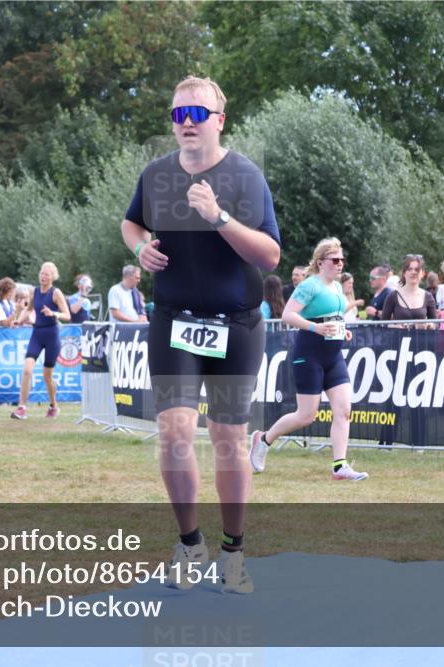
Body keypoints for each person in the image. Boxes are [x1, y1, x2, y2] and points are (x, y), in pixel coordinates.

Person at [120, 75, 281, 594]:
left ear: (219, 120)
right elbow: (131, 224)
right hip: (174, 321)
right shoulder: (156, 174)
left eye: (197, 114)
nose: (186, 123)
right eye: (178, 114)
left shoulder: (244, 175)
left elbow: (270, 255)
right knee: (173, 432)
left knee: (229, 439)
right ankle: (190, 545)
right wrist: (139, 246)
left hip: (235, 324)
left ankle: (234, 552)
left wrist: (218, 216)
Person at [250, 238, 366, 481]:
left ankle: (339, 466)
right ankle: (263, 439)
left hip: (333, 356)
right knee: (306, 416)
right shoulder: (310, 285)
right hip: (309, 354)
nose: (340, 264)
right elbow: (288, 316)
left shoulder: (335, 286)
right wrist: (315, 328)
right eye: (335, 260)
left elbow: (334, 316)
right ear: (320, 262)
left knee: (344, 410)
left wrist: (342, 330)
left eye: (342, 260)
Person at [11, 262, 71, 420]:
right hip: (37, 334)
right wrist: (19, 321)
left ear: (53, 277)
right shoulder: (34, 292)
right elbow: (30, 309)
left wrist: (54, 314)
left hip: (52, 335)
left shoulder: (56, 293)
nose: (43, 276)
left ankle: (53, 405)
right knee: (27, 370)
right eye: (42, 273)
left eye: (47, 274)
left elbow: (68, 315)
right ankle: (21, 408)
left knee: (47, 376)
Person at [381, 254, 437, 325]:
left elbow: (436, 324)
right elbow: (383, 324)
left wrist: (430, 325)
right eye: (409, 269)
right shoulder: (392, 296)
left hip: (420, 336)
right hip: (397, 336)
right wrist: (393, 326)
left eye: (417, 269)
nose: (413, 272)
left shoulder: (428, 297)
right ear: (404, 273)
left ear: (422, 274)